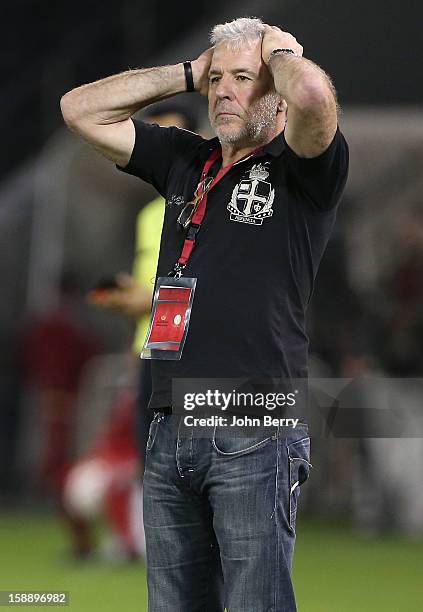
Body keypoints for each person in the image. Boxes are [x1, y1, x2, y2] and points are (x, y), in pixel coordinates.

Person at [61, 17, 349, 612]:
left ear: (276, 88)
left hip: (254, 412)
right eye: (217, 80)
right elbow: (79, 110)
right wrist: (189, 71)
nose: (223, 91)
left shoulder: (300, 168)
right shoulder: (186, 160)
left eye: (243, 78)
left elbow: (316, 99)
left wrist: (284, 53)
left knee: (255, 604)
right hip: (170, 416)